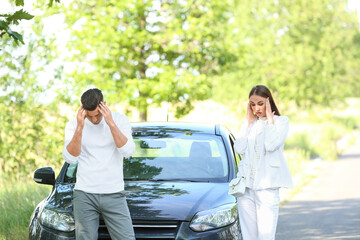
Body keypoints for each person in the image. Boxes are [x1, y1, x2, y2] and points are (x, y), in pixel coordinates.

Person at [62, 88, 136, 240]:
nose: (95, 120)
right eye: (90, 116)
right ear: (83, 110)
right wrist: (80, 127)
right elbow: (70, 158)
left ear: (105, 106)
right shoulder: (73, 124)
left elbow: (128, 151)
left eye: (97, 115)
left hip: (114, 193)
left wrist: (111, 123)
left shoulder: (120, 119)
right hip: (84, 193)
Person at [234, 85, 293, 240]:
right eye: (252, 104)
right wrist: (247, 122)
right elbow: (239, 148)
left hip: (267, 189)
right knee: (249, 237)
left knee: (266, 236)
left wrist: (270, 121)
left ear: (268, 101)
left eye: (260, 103)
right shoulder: (250, 124)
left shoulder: (281, 122)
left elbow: (270, 145)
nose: (256, 108)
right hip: (245, 190)